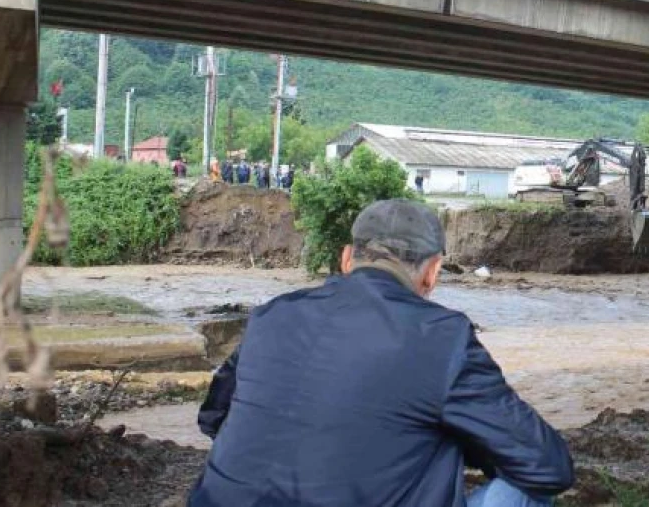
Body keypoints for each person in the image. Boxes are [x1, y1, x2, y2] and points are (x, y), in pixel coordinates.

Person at [190, 200, 573, 506]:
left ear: (346, 258)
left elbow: (213, 418)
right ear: (433, 272)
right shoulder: (443, 336)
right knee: (528, 490)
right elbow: (548, 467)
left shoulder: (272, 314)